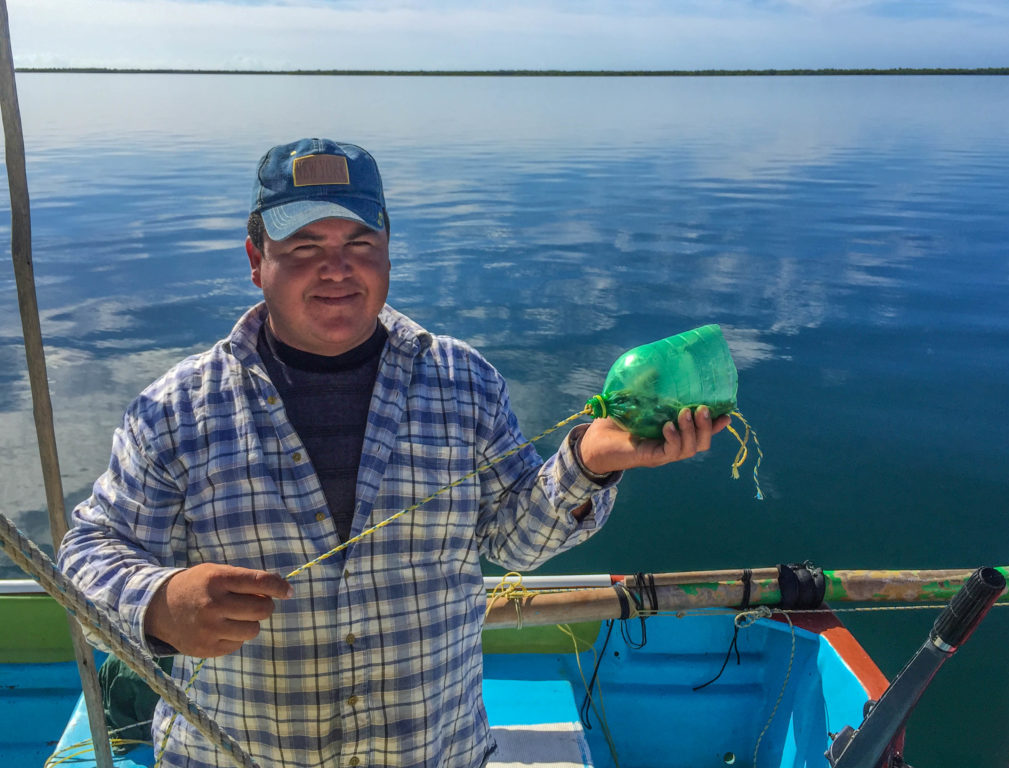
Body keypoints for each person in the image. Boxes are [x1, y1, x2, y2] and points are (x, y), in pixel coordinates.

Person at [58, 138, 732, 768]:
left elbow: (515, 541)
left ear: (386, 254)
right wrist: (157, 603)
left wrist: (589, 461)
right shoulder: (176, 408)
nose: (336, 268)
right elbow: (88, 549)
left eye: (360, 241)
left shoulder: (464, 380)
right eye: (303, 246)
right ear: (255, 260)